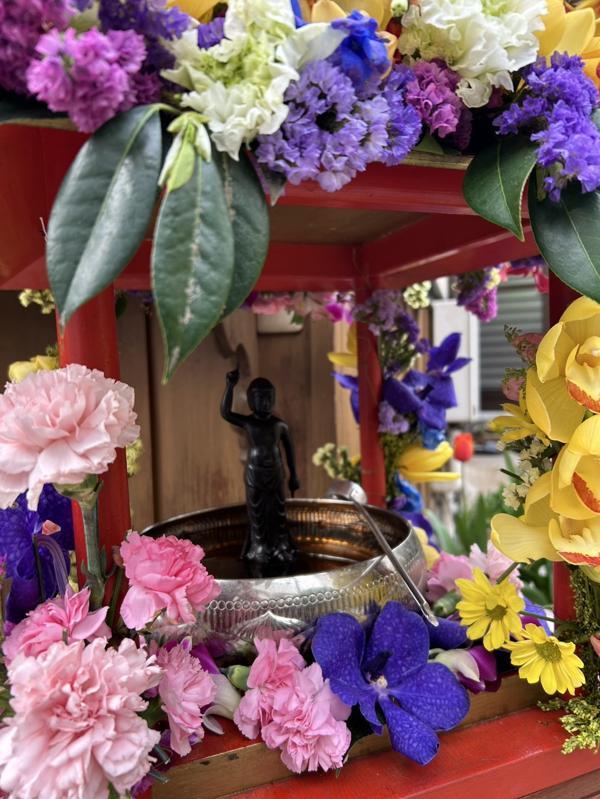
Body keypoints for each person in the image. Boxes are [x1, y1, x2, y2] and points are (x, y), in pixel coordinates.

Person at [221, 369, 299, 567]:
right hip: (254, 473)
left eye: (268, 398)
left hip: (276, 471)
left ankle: (280, 546)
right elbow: (226, 413)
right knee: (256, 511)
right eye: (260, 398)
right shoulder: (248, 422)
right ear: (251, 401)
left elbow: (290, 451)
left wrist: (294, 475)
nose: (265, 402)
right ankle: (259, 547)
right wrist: (230, 386)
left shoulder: (279, 425)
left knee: (278, 510)